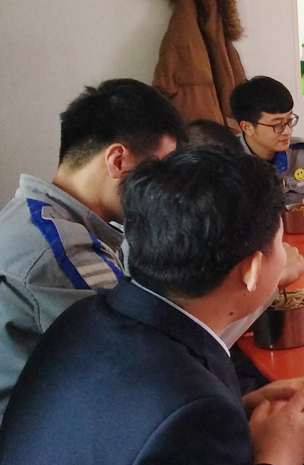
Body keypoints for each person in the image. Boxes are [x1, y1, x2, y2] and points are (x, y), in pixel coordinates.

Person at [0, 145, 304, 465]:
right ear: (253, 270)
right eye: (279, 245)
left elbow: (137, 440)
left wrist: (238, 409)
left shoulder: (91, 318)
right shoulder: (187, 413)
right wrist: (276, 461)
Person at [0, 79, 186, 422]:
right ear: (117, 160)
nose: (164, 188)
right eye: (159, 169)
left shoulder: (34, 215)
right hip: (33, 438)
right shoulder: (62, 252)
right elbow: (145, 369)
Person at [231, 76, 304, 218]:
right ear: (247, 127)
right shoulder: (225, 161)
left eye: (289, 121)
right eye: (277, 125)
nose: (287, 131)